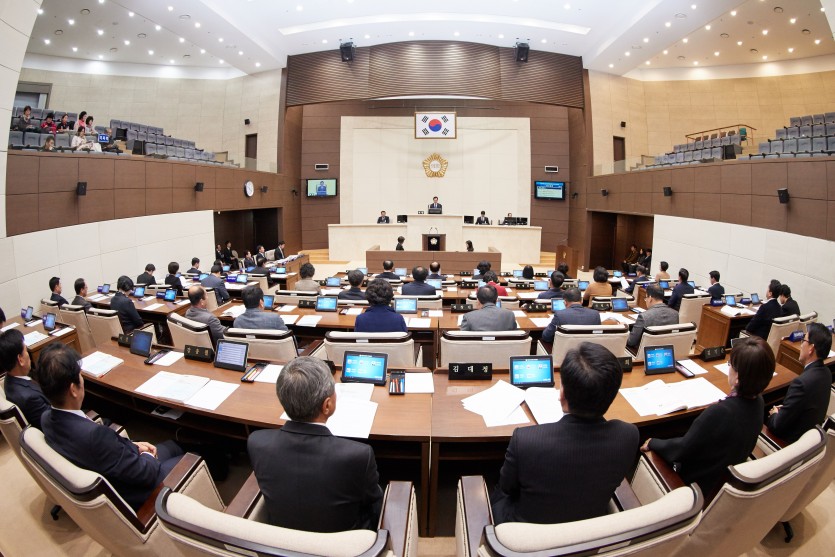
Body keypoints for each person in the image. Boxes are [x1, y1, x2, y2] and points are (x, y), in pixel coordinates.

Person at [492, 342, 639, 525]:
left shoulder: (525, 441)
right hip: (589, 527)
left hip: (526, 532)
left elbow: (507, 488)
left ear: (562, 395)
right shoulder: (629, 435)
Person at [38, 343, 184, 511]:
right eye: (79, 375)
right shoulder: (95, 436)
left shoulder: (46, 418)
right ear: (73, 390)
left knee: (173, 445)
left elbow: (109, 453)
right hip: (142, 490)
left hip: (120, 463)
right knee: (194, 455)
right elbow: (146, 474)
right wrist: (146, 455)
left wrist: (134, 446)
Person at [247, 356, 383, 532]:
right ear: (327, 406)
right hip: (343, 541)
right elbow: (372, 499)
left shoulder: (257, 442)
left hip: (282, 539)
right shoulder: (359, 455)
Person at [643, 336, 774, 495]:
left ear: (738, 378)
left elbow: (682, 449)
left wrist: (654, 442)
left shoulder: (720, 413)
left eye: (730, 365)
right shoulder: (759, 402)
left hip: (698, 487)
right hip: (726, 478)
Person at [766, 323, 832, 443]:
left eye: (803, 341)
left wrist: (775, 414)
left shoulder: (801, 383)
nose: (801, 345)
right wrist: (787, 409)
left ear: (811, 348)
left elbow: (776, 426)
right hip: (809, 439)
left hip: (789, 444)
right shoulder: (827, 373)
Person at [0, 329, 49, 428]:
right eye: (26, 351)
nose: (28, 355)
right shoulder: (30, 399)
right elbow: (54, 423)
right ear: (20, 359)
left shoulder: (9, 379)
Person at [627, 284, 679, 349]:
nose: (646, 300)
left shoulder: (644, 316)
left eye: (646, 298)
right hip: (667, 350)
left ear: (650, 298)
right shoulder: (675, 314)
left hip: (644, 352)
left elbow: (631, 341)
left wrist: (626, 330)